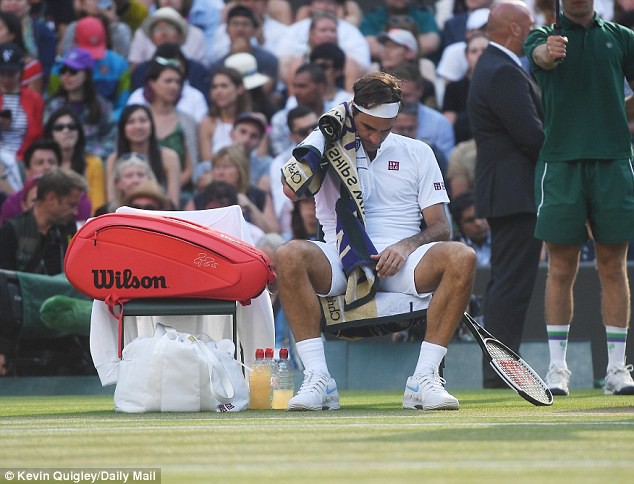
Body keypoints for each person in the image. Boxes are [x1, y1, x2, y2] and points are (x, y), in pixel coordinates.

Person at [277, 71, 476, 411]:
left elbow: (441, 228)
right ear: (352, 114)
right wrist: (323, 136)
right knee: (288, 254)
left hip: (402, 263)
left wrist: (406, 246)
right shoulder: (325, 147)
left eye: (385, 130)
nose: (375, 137)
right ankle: (318, 378)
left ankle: (424, 379)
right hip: (341, 257)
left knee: (462, 256)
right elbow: (290, 190)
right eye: (368, 128)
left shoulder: (419, 151)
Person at [524, 0, 634, 395]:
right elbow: (539, 57)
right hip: (561, 164)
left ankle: (617, 369)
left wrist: (615, 113)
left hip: (614, 162)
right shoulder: (542, 37)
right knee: (560, 267)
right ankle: (558, 370)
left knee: (613, 264)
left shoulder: (621, 38)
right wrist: (548, 53)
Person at [467, 0, 544, 388]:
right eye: (530, 27)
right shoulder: (502, 71)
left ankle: (499, 369)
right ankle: (501, 372)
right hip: (515, 193)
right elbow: (531, 136)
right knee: (511, 284)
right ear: (514, 30)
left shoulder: (496, 67)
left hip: (507, 192)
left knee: (507, 282)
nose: (534, 34)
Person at [0, 168, 87, 274]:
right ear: (51, 198)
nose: (75, 212)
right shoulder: (11, 231)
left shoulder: (69, 229)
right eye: (71, 205)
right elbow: (6, 282)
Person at [44, 48, 116, 160]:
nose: (66, 76)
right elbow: (46, 140)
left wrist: (83, 153)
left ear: (86, 74)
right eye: (63, 71)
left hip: (93, 164)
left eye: (73, 71)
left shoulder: (103, 106)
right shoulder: (53, 106)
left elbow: (111, 143)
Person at [105, 104, 181, 207]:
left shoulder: (169, 157)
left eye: (143, 121)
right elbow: (112, 198)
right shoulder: (113, 159)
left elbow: (173, 202)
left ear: (152, 125)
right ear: (123, 128)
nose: (138, 126)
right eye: (131, 122)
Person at [43, 106, 107, 216]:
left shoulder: (93, 163)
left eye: (72, 126)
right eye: (59, 127)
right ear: (50, 133)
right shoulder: (44, 163)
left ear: (79, 132)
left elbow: (97, 206)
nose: (66, 130)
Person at [0, 42, 44, 162]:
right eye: (2, 74)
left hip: (26, 161)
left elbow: (39, 136)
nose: (6, 79)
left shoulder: (34, 99)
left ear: (20, 72)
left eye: (11, 74)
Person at [94, 152, 158, 215]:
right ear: (118, 183)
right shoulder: (104, 213)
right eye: (129, 176)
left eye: (140, 175)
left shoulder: (164, 209)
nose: (136, 180)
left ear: (150, 179)